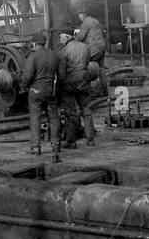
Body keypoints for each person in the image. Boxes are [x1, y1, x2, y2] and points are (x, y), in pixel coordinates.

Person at [18, 32, 60, 160]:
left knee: (35, 119)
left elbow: (28, 75)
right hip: (51, 91)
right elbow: (61, 75)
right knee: (53, 118)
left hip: (36, 91)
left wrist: (23, 87)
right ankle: (56, 146)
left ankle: (36, 148)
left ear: (35, 44)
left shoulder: (33, 56)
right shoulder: (54, 56)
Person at [58, 31, 96, 148]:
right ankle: (90, 140)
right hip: (84, 81)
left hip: (69, 83)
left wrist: (60, 83)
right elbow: (88, 63)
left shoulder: (64, 51)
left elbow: (62, 71)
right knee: (87, 111)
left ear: (68, 36)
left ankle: (71, 141)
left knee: (70, 113)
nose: (60, 40)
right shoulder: (85, 47)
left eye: (61, 37)